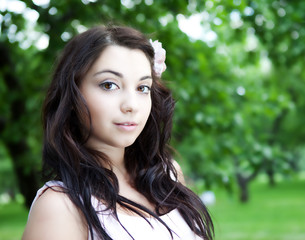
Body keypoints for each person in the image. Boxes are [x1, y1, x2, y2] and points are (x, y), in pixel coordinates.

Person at [22, 25, 214, 240]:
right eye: (109, 85)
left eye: (142, 88)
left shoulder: (167, 176)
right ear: (73, 95)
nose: (131, 105)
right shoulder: (61, 205)